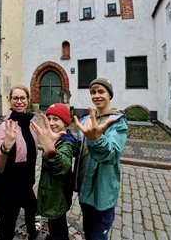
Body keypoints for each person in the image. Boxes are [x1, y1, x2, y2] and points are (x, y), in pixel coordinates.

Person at [74, 78, 128, 240]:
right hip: (85, 188)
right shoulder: (86, 119)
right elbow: (80, 149)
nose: (96, 95)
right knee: (88, 232)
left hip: (102, 192)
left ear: (109, 95)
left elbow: (111, 153)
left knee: (98, 236)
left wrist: (96, 139)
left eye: (100, 91)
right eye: (93, 92)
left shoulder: (117, 122)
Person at [0, 85, 39, 240]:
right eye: (15, 98)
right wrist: (6, 148)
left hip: (26, 184)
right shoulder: (5, 127)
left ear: (28, 100)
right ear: (10, 100)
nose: (19, 101)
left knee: (32, 208)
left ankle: (32, 232)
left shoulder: (30, 124)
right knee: (8, 225)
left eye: (23, 98)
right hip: (8, 188)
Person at [30, 103, 79, 240]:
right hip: (53, 193)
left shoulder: (66, 144)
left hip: (58, 195)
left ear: (65, 123)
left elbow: (62, 167)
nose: (51, 123)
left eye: (56, 119)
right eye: (49, 118)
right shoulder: (54, 139)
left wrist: (51, 151)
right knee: (54, 221)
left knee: (58, 224)